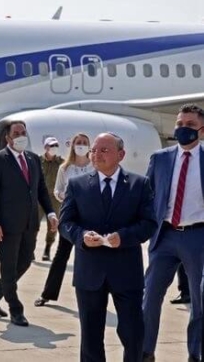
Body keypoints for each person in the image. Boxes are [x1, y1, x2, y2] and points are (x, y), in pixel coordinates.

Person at [60, 132, 155, 362]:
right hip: (90, 273)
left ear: (121, 155)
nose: (96, 155)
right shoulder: (77, 185)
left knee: (133, 334)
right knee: (91, 338)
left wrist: (124, 237)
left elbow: (149, 224)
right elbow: (65, 223)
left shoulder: (139, 184)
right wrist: (82, 236)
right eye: (94, 150)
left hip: (126, 272)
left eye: (104, 150)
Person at [0, 120, 57, 327]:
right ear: (8, 138)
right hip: (6, 225)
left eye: (23, 132)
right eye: (16, 133)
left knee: (25, 261)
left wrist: (50, 212)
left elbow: (41, 189)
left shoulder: (33, 159)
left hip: (30, 223)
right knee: (8, 267)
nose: (21, 136)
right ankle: (16, 309)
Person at [143, 104, 204, 362]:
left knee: (200, 301)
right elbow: (146, 197)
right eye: (180, 124)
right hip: (164, 236)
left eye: (190, 125)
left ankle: (195, 354)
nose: (183, 128)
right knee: (149, 297)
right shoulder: (160, 158)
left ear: (202, 130)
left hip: (198, 236)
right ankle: (145, 352)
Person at [35, 133, 93, 307]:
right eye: (78, 142)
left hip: (89, 217)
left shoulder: (95, 167)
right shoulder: (65, 168)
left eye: (84, 142)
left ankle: (90, 295)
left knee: (89, 257)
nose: (81, 145)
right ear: (72, 146)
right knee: (61, 255)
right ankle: (47, 293)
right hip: (70, 217)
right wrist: (65, 197)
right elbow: (57, 190)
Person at [39, 137, 64, 261]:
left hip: (54, 198)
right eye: (51, 145)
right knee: (33, 223)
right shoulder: (38, 161)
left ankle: (47, 249)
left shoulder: (61, 163)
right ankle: (30, 248)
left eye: (56, 145)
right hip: (39, 197)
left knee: (53, 225)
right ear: (46, 147)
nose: (54, 148)